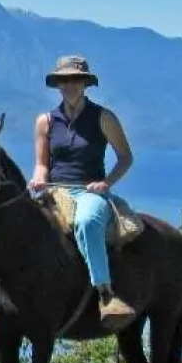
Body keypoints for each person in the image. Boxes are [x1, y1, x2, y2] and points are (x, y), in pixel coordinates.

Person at [28, 54, 137, 331]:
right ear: (58, 85)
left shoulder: (104, 118)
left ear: (85, 83)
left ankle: (105, 294)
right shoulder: (45, 121)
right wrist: (38, 179)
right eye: (64, 80)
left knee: (87, 221)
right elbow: (42, 165)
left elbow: (125, 157)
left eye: (75, 79)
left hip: (90, 193)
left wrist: (106, 183)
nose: (69, 85)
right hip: (55, 192)